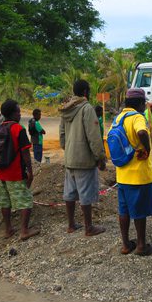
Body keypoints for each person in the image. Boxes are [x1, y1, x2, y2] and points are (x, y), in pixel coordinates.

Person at [112, 88, 152, 256]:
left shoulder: (118, 118)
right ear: (140, 103)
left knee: (123, 211)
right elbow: (141, 131)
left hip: (122, 174)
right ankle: (141, 246)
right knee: (139, 212)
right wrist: (147, 148)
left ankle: (126, 244)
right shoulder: (137, 117)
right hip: (138, 176)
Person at [59, 80, 107, 237]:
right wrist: (100, 157)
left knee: (70, 192)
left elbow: (61, 135)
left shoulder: (66, 108)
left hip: (70, 158)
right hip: (84, 159)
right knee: (86, 193)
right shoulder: (87, 108)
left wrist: (68, 149)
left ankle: (71, 225)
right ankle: (88, 227)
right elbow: (94, 136)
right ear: (86, 91)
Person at [0, 99, 40, 241]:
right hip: (15, 173)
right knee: (26, 201)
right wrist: (30, 171)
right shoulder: (18, 129)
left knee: (5, 202)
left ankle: (8, 229)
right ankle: (24, 230)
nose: (20, 114)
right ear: (12, 113)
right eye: (18, 111)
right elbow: (25, 153)